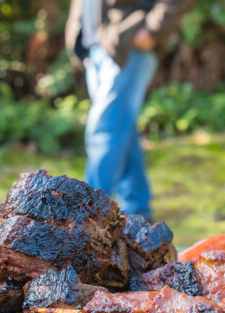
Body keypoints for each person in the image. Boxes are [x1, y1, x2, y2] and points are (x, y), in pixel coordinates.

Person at [66, 0, 190, 219]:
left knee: (105, 130)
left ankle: (88, 218)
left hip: (127, 45)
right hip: (95, 47)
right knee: (123, 131)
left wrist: (153, 29)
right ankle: (138, 212)